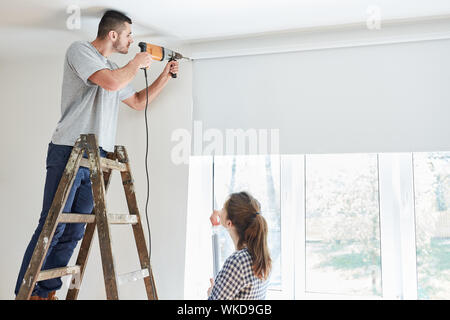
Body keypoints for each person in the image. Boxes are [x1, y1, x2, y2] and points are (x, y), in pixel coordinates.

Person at [14, 9, 178, 300]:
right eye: (128, 35)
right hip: (69, 150)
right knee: (52, 227)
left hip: (96, 157)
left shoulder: (114, 68)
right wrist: (135, 63)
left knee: (74, 232)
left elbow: (139, 102)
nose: (131, 40)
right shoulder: (80, 52)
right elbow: (112, 82)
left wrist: (165, 75)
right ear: (112, 34)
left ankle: (47, 292)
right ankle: (27, 294)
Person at [208, 192, 272, 300]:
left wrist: (211, 293)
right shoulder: (263, 257)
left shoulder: (238, 262)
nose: (219, 211)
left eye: (223, 208)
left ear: (229, 223)